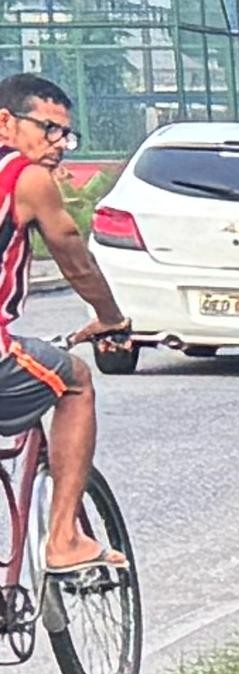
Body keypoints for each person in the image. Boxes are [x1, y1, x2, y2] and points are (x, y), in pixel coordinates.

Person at [0, 76, 132, 573]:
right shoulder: (24, 179)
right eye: (47, 130)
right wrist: (111, 319)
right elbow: (75, 260)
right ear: (6, 123)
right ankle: (62, 539)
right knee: (75, 381)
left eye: (64, 135)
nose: (57, 144)